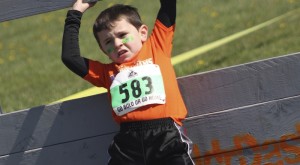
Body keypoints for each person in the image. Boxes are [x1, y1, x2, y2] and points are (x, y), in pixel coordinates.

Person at [62, 0, 195, 164]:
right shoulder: (106, 73)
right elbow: (70, 57)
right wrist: (77, 11)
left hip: (167, 138)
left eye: (122, 35)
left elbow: (168, 5)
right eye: (108, 42)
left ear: (143, 33)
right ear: (104, 51)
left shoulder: (157, 47)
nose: (117, 44)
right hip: (127, 145)